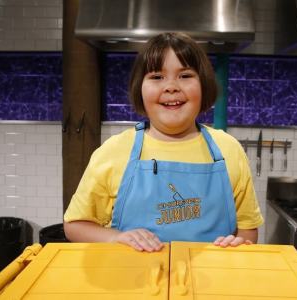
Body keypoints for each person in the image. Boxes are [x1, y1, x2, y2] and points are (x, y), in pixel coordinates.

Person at [64, 32, 263, 252]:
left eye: (185, 75)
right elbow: (75, 225)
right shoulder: (114, 151)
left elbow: (248, 229)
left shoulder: (229, 149)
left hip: (211, 281)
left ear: (204, 85)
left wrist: (239, 242)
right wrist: (115, 238)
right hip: (132, 281)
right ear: (140, 88)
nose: (171, 86)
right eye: (157, 77)